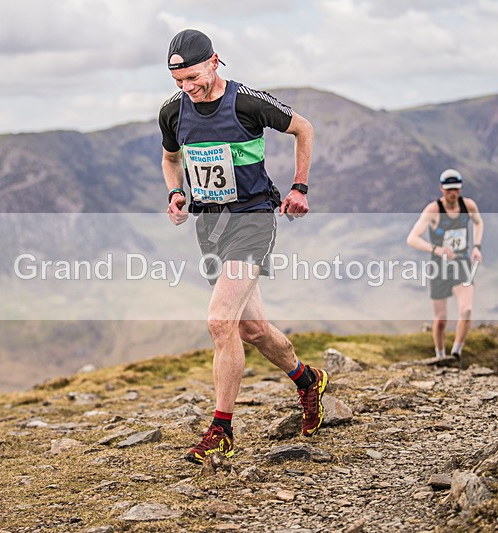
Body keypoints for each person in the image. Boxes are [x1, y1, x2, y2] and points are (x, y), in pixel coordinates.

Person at [158, 29, 327, 464]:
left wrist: (300, 187)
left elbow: (303, 128)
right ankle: (308, 380)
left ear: (214, 62)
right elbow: (171, 158)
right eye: (178, 81)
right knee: (252, 330)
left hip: (253, 220)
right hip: (211, 226)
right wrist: (175, 193)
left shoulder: (246, 102)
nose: (187, 88)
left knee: (220, 322)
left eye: (193, 78)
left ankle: (222, 430)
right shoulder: (173, 111)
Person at [406, 169, 483, 363]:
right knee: (440, 320)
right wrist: (436, 249)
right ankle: (440, 356)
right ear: (441, 189)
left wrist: (476, 247)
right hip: (439, 268)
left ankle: (456, 353)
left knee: (466, 310)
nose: (452, 193)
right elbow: (412, 238)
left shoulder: (468, 206)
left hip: (462, 264)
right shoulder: (433, 210)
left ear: (460, 188)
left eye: (456, 189)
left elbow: (478, 223)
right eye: (449, 189)